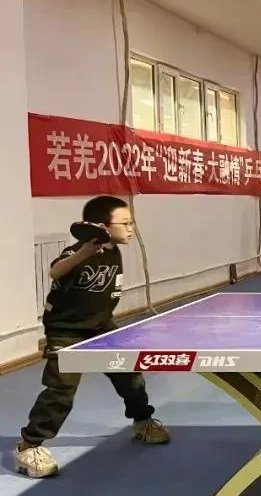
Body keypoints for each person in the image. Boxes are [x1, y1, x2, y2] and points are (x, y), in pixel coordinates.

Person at [15, 196, 170, 478]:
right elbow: (55, 271)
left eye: (132, 222)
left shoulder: (114, 249)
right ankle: (29, 446)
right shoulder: (78, 251)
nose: (131, 228)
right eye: (125, 223)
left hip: (100, 325)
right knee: (61, 390)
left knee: (130, 375)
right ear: (103, 227)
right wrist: (84, 253)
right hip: (65, 329)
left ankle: (142, 422)